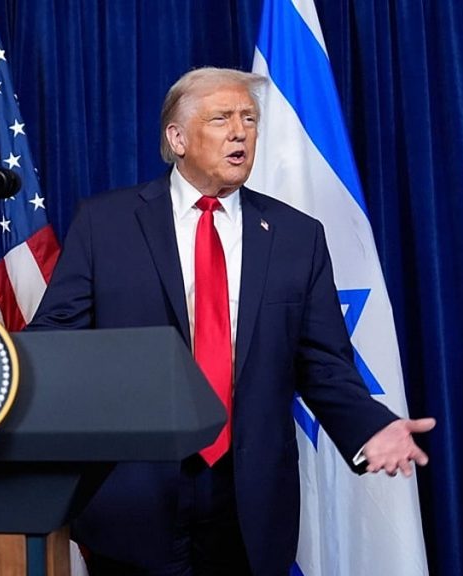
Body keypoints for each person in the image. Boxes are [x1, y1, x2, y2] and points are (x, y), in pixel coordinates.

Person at [29, 68, 434, 575]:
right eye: (221, 119)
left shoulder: (296, 236)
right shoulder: (105, 223)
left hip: (249, 500)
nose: (240, 132)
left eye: (249, 119)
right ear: (177, 138)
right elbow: (56, 340)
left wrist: (368, 427)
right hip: (134, 493)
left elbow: (323, 363)